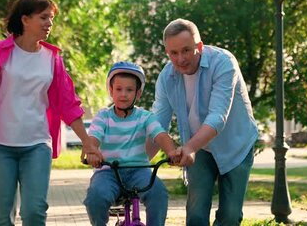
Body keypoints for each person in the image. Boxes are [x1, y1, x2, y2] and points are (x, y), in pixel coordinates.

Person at [0, 0, 99, 226]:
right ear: (25, 19)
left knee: (34, 212)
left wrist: (87, 141)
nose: (49, 23)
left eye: (51, 18)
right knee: (1, 215)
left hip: (36, 145)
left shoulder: (52, 58)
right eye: (44, 17)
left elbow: (68, 103)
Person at [149, 18, 259, 226]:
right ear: (167, 52)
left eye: (186, 50)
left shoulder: (224, 62)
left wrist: (189, 147)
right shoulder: (167, 77)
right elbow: (157, 124)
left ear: (199, 46)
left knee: (230, 216)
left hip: (235, 145)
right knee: (196, 215)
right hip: (200, 150)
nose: (180, 59)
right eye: (174, 53)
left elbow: (218, 117)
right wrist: (136, 161)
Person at [83, 61, 178, 226]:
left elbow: (160, 135)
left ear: (138, 93)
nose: (123, 94)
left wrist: (172, 152)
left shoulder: (145, 117)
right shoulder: (103, 116)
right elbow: (93, 137)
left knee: (159, 192)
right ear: (111, 91)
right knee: (95, 196)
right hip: (108, 171)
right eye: (118, 89)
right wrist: (91, 151)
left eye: (129, 90)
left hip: (139, 171)